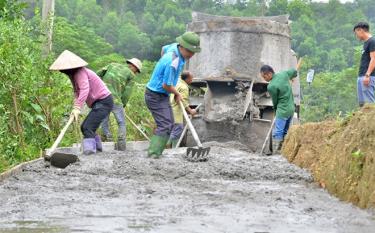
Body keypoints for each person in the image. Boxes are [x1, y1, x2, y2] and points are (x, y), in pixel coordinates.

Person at [145, 31, 201, 158]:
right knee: (165, 125)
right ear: (183, 47)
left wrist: (161, 65)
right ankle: (153, 154)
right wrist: (177, 93)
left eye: (194, 51)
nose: (192, 54)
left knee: (169, 123)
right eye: (190, 51)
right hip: (155, 94)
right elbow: (166, 85)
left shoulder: (174, 47)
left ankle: (156, 152)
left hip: (162, 94)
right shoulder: (173, 62)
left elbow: (163, 49)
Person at [49, 50, 113, 155]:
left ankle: (90, 153)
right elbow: (76, 92)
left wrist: (78, 106)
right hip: (99, 102)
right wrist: (75, 108)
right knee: (89, 128)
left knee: (86, 127)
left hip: (104, 101)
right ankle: (98, 150)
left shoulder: (80, 72)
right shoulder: (73, 75)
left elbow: (84, 89)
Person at [97, 58, 142, 151]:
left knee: (104, 120)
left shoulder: (112, 65)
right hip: (115, 100)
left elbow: (97, 75)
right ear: (134, 67)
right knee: (121, 123)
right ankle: (121, 147)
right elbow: (127, 94)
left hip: (102, 97)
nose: (136, 73)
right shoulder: (131, 75)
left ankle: (108, 141)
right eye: (136, 71)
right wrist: (123, 105)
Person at [260, 59, 301, 154]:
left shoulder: (271, 86)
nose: (264, 79)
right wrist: (292, 77)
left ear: (269, 74)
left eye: (264, 76)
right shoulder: (284, 74)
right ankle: (284, 151)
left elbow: (275, 101)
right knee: (286, 131)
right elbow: (294, 72)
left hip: (282, 111)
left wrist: (275, 110)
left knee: (278, 132)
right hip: (291, 109)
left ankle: (276, 152)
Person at [167, 71, 197, 148]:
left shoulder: (177, 83)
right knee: (177, 130)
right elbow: (182, 101)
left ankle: (171, 148)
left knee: (172, 131)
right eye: (191, 78)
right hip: (176, 112)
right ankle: (171, 148)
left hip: (170, 110)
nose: (192, 80)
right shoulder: (184, 87)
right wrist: (191, 111)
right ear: (186, 79)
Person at [353, 22, 375, 107]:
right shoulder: (366, 43)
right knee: (362, 105)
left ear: (361, 30)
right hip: (362, 76)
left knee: (369, 104)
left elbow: (374, 58)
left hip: (368, 77)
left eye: (356, 33)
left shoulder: (372, 41)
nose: (356, 36)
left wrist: (367, 75)